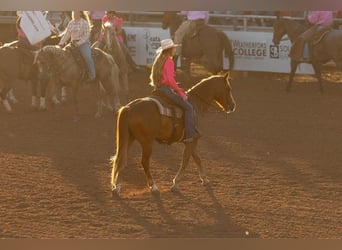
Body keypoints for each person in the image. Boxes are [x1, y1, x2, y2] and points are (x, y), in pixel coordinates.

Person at [149, 38, 200, 143]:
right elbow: (170, 80)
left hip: (157, 89)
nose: (175, 50)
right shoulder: (169, 62)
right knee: (189, 108)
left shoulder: (158, 60)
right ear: (169, 50)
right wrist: (180, 92)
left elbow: (164, 79)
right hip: (166, 90)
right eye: (173, 49)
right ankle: (190, 135)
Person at [58, 11, 96, 83]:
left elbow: (86, 36)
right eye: (73, 12)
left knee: (87, 57)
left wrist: (79, 43)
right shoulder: (71, 23)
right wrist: (61, 43)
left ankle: (92, 75)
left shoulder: (84, 23)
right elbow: (67, 34)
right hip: (73, 43)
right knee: (63, 55)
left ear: (80, 14)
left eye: (75, 12)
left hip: (84, 43)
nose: (74, 14)